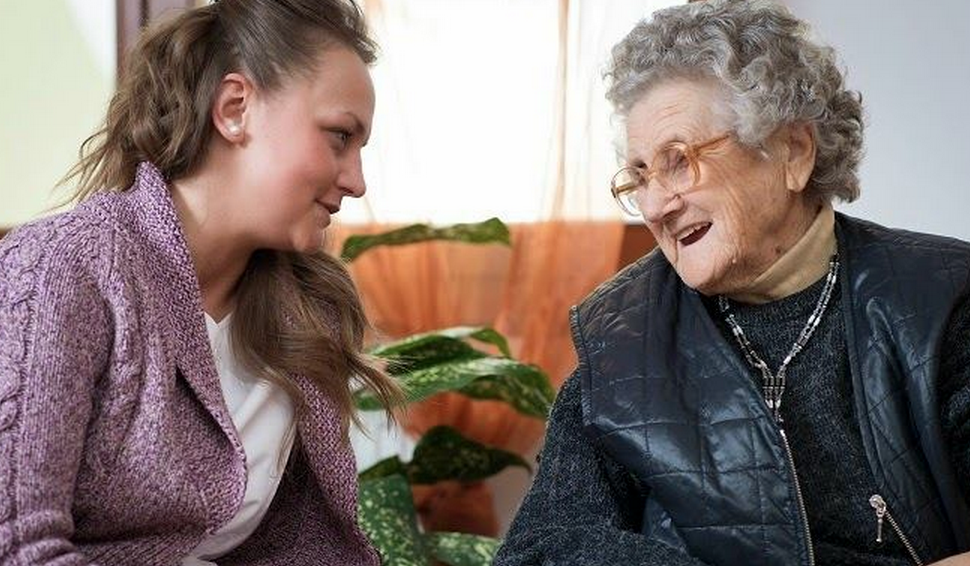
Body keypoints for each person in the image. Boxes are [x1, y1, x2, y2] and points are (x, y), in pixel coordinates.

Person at [494, 1, 970, 565]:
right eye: (640, 175)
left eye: (678, 161)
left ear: (792, 151)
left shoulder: (941, 299)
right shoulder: (620, 337)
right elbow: (543, 548)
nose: (654, 204)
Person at [0, 0, 401, 564]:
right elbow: (18, 548)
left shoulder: (306, 310)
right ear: (236, 108)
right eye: (339, 137)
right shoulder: (63, 271)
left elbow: (295, 547)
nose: (356, 181)